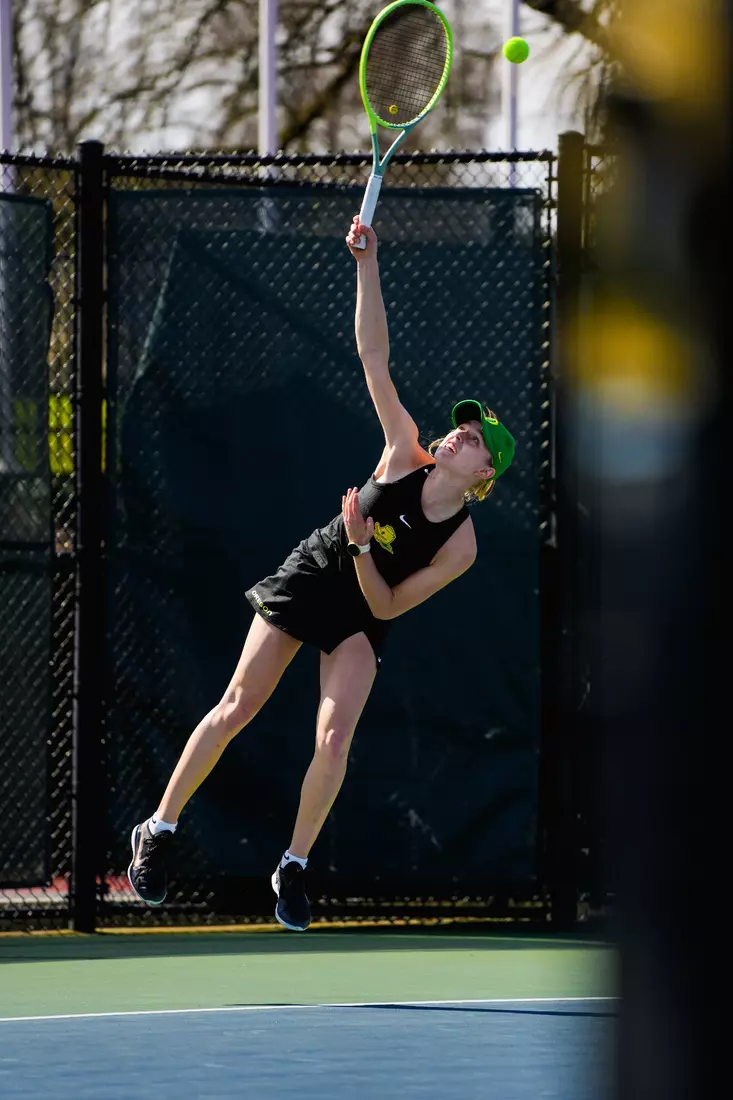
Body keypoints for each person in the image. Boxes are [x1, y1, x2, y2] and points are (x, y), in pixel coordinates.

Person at [127, 216, 516, 931]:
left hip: (364, 608)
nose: (461, 431)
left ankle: (293, 866)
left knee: (333, 740)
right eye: (462, 426)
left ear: (485, 474)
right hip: (310, 577)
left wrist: (365, 544)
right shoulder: (402, 450)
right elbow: (374, 355)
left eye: (477, 438)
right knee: (237, 706)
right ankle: (158, 829)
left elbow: (389, 606)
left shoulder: (459, 547)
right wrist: (365, 264)